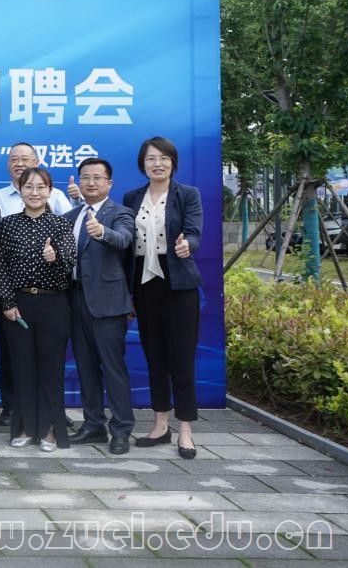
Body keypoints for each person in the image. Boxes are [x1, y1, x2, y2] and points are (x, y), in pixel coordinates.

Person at [122, 137, 203, 460]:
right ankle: (160, 425)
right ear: (143, 164)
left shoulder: (187, 194)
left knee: (181, 359)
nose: (158, 164)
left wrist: (187, 245)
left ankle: (185, 430)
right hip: (144, 285)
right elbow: (126, 244)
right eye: (151, 158)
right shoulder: (132, 198)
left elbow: (194, 232)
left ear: (173, 162)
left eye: (164, 158)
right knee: (154, 356)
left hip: (178, 284)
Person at [0, 142, 73, 427]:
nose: (34, 192)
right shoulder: (4, 214)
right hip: (17, 301)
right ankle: (18, 418)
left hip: (52, 302)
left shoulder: (59, 217)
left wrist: (55, 257)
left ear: (49, 190)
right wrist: (7, 301)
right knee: (18, 362)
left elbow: (70, 260)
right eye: (28, 187)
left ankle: (50, 422)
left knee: (50, 364)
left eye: (40, 187)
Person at [65, 157, 136, 455]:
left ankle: (121, 429)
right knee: (85, 367)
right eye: (85, 177)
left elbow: (124, 239)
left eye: (97, 177)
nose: (91, 182)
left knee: (113, 368)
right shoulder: (71, 215)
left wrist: (102, 232)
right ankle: (93, 424)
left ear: (109, 183)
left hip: (108, 304)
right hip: (75, 300)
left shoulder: (120, 213)